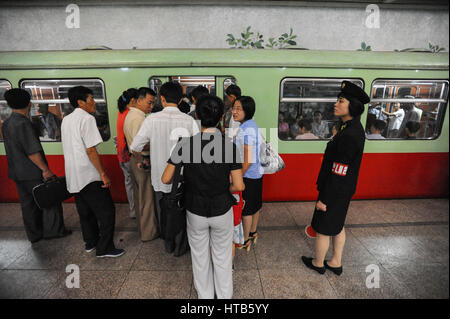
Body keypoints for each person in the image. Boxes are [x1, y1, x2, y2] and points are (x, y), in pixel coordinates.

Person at [161, 95, 245, 299]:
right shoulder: (229, 146)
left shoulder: (184, 144)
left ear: (197, 115)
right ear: (220, 119)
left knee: (199, 257)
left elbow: (165, 179)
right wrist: (223, 187)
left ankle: (205, 298)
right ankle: (224, 298)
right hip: (222, 209)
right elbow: (239, 185)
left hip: (195, 210)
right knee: (223, 258)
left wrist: (190, 177)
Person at [302, 81, 369, 276]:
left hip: (335, 190)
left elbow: (339, 170)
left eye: (341, 101)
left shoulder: (349, 133)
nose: (336, 104)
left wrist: (325, 199)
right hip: (343, 189)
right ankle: (335, 261)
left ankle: (318, 262)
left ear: (353, 106)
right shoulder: (350, 128)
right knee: (338, 225)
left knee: (323, 228)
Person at [130, 81, 198, 253]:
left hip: (160, 176)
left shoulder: (151, 119)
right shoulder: (189, 120)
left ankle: (168, 243)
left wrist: (143, 158)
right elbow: (197, 150)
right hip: (182, 177)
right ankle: (181, 244)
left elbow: (135, 147)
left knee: (164, 209)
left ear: (161, 98)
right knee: (182, 209)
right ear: (181, 99)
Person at [61, 86, 124, 257]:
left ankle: (90, 243)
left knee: (85, 211)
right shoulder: (87, 119)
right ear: (80, 102)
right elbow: (91, 150)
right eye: (91, 98)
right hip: (88, 174)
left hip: (74, 174)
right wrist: (103, 174)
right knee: (106, 211)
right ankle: (105, 248)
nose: (94, 102)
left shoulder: (66, 119)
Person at [2, 89, 71, 243]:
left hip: (17, 172)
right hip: (32, 172)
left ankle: (34, 234)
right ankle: (54, 231)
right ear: (28, 103)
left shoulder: (7, 123)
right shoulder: (24, 123)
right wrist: (45, 170)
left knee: (28, 205)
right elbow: (32, 151)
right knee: (49, 200)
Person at [123, 87, 159, 241]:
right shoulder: (139, 119)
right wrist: (159, 142)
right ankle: (148, 233)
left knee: (140, 198)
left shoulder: (130, 115)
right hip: (141, 160)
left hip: (134, 159)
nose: (151, 107)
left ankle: (143, 229)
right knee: (147, 198)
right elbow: (141, 144)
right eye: (149, 103)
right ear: (138, 100)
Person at [232, 96, 263, 251]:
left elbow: (248, 159)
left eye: (239, 108)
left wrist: (238, 176)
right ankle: (253, 232)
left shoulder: (247, 129)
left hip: (248, 175)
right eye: (234, 108)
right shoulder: (250, 125)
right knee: (255, 206)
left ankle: (245, 240)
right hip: (256, 174)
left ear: (247, 111)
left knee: (246, 210)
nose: (234, 111)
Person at [116, 88, 138, 219]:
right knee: (137, 184)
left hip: (121, 154)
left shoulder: (121, 112)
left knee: (129, 183)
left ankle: (133, 211)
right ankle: (138, 211)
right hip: (129, 155)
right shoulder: (131, 114)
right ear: (133, 100)